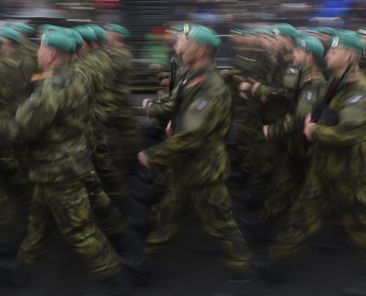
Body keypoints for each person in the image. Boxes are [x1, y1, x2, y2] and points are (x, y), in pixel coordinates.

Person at [139, 25, 253, 278]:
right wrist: (172, 119)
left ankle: (244, 274)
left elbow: (193, 134)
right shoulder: (192, 77)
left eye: (184, 41)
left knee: (221, 225)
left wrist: (154, 154)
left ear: (200, 50)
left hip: (204, 170)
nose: (179, 46)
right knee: (168, 215)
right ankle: (148, 264)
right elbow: (179, 105)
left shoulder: (212, 87)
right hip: (185, 166)